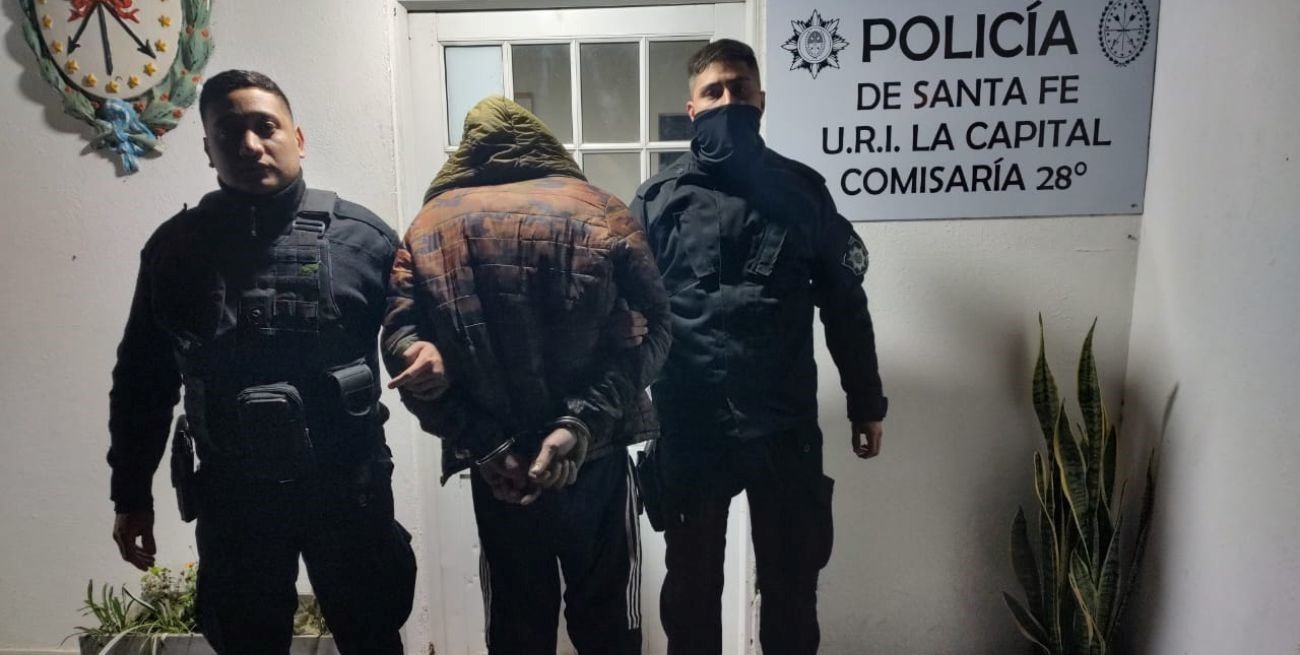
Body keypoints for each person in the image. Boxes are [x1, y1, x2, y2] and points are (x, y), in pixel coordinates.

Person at [107, 69, 416, 654]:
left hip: (348, 491)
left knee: (372, 636)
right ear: (208, 149)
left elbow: (420, 338)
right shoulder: (176, 250)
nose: (250, 145)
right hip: (235, 498)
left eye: (265, 127)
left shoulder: (365, 240)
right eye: (229, 133)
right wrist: (131, 496)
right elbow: (143, 383)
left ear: (297, 138)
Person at [381, 96, 671, 654]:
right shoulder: (601, 210)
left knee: (516, 620)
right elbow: (656, 331)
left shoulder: (429, 226)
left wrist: (488, 445)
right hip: (594, 457)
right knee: (608, 618)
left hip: (500, 470)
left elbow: (403, 354)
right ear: (542, 143)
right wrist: (578, 426)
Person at [630, 39, 888, 655]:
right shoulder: (656, 201)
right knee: (690, 598)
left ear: (761, 99)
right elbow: (624, 316)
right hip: (691, 427)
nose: (728, 101)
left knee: (793, 594)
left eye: (739, 89)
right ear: (692, 108)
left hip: (783, 425)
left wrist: (867, 404)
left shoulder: (803, 193)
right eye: (713, 91)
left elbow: (845, 306)